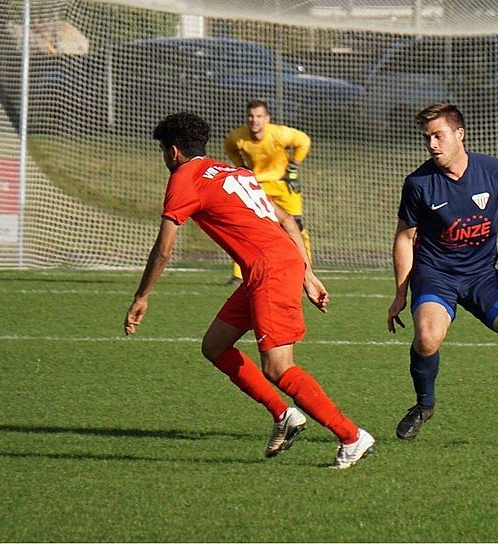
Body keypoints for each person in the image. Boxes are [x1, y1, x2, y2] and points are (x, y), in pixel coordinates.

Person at [124, 111, 374, 469]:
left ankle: (351, 436)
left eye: (164, 152)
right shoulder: (234, 171)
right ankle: (283, 415)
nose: (166, 159)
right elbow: (286, 220)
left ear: (174, 151)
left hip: (269, 270)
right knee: (214, 345)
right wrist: (307, 274)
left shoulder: (184, 177)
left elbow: (164, 249)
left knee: (278, 368)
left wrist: (141, 296)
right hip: (271, 267)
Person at [386, 103, 498, 448]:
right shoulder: (418, 183)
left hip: (482, 276)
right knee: (427, 338)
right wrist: (400, 293)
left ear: (459, 134)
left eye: (438, 136)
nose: (432, 144)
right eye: (427, 138)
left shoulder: (493, 170)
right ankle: (424, 405)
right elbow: (404, 237)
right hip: (436, 275)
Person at [224, 100, 312, 285]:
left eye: (258, 116)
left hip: (283, 184)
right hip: (257, 185)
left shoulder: (279, 133)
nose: (254, 120)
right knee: (245, 227)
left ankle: (306, 270)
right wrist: (241, 169)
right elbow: (230, 148)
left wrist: (293, 166)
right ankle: (239, 275)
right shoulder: (237, 137)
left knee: (297, 226)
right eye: (251, 116)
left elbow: (304, 141)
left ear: (267, 119)